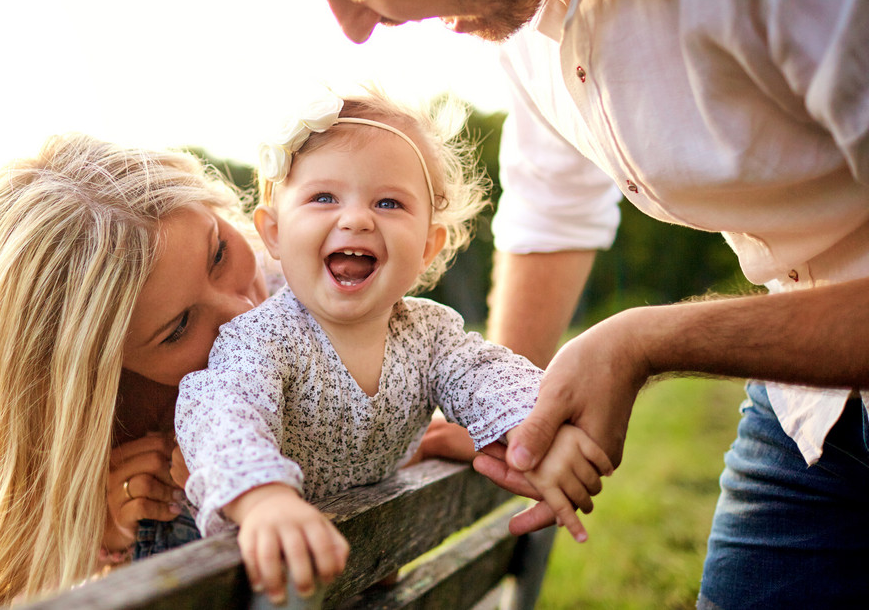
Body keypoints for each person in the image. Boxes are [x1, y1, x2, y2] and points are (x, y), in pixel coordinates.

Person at [257, 0, 869, 608]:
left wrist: (644, 340)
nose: (354, 28)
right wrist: (511, 408)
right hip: (808, 409)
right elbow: (552, 206)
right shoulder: (528, 18)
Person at [0, 130, 492, 608]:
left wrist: (396, 445)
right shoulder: (120, 458)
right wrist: (112, 536)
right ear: (101, 376)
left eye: (219, 253)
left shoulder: (312, 293)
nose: (243, 307)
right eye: (176, 329)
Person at [175, 89, 612, 605]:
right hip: (266, 573)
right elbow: (221, 412)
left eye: (388, 202)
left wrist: (534, 428)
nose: (357, 219)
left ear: (428, 246)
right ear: (273, 233)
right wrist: (263, 498)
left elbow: (489, 375)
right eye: (323, 198)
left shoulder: (430, 336)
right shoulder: (263, 339)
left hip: (367, 563)